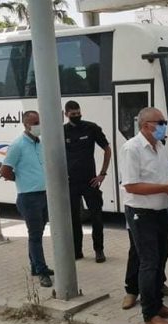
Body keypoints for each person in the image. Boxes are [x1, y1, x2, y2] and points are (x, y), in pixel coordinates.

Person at [120, 107, 168, 324]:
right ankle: (150, 315)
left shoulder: (160, 147)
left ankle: (158, 304)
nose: (164, 126)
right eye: (161, 122)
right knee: (149, 263)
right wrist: (165, 188)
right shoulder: (132, 148)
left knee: (160, 261)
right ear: (147, 125)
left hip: (162, 212)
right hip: (142, 214)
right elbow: (131, 185)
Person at [0, 111, 53, 288]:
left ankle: (35, 266)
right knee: (35, 235)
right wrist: (21, 179)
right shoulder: (18, 145)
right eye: (35, 122)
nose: (39, 125)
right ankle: (42, 271)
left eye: (39, 121)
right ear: (26, 125)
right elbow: (5, 171)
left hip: (44, 194)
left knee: (38, 232)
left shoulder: (40, 143)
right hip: (28, 197)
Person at [63, 100, 111, 263]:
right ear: (66, 114)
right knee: (74, 218)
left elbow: (107, 149)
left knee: (96, 217)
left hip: (90, 181)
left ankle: (99, 250)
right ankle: (77, 251)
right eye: (73, 114)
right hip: (71, 182)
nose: (76, 116)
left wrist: (102, 173)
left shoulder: (91, 128)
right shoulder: (62, 131)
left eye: (78, 113)